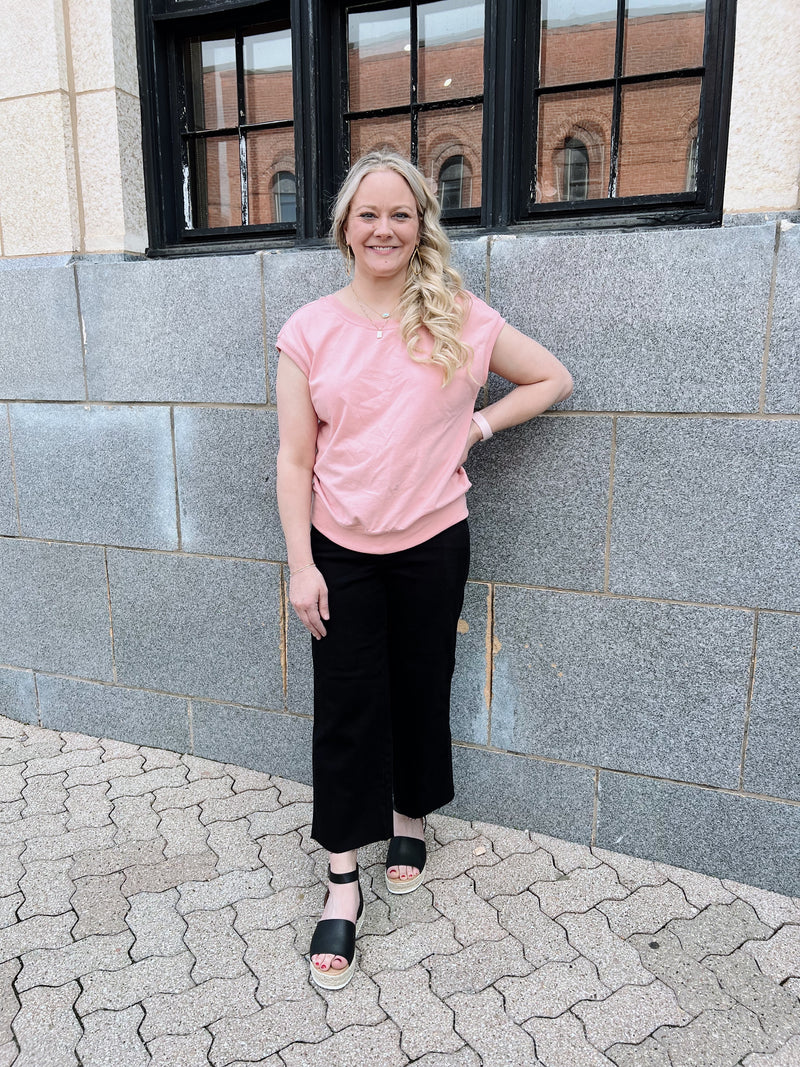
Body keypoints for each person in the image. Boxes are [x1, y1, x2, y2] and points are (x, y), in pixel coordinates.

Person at [275, 150, 572, 990]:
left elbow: (552, 377)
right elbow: (294, 460)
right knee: (345, 706)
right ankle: (341, 881)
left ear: (421, 226)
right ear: (344, 225)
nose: (383, 229)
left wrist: (475, 430)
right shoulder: (309, 331)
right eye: (368, 214)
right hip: (340, 547)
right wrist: (302, 564)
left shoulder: (460, 315)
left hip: (433, 539)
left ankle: (410, 815)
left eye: (400, 214)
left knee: (420, 682)